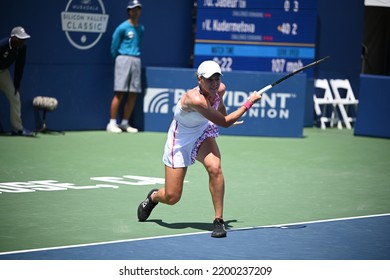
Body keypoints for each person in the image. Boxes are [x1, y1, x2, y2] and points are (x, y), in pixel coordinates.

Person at [137, 60, 263, 238]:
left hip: (202, 132)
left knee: (215, 167)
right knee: (172, 197)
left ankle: (218, 220)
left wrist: (227, 117)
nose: (214, 84)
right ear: (199, 79)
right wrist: (248, 104)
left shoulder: (220, 89)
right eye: (209, 79)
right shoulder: (194, 99)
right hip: (180, 140)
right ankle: (154, 197)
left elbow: (220, 107)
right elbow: (224, 124)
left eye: (217, 79)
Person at [106, 0, 144, 133]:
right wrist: (118, 59)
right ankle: (111, 123)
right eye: (133, 9)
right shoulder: (122, 27)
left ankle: (124, 123)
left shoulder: (141, 28)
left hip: (135, 60)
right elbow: (114, 46)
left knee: (133, 93)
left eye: (138, 9)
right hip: (123, 59)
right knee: (120, 92)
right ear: (129, 11)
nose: (136, 11)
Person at [0, 26, 34, 136]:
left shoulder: (22, 48)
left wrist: (17, 84)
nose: (22, 41)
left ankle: (17, 129)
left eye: (24, 39)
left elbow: (20, 66)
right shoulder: (2, 45)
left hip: (3, 72)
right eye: (20, 39)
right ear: (13, 38)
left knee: (15, 97)